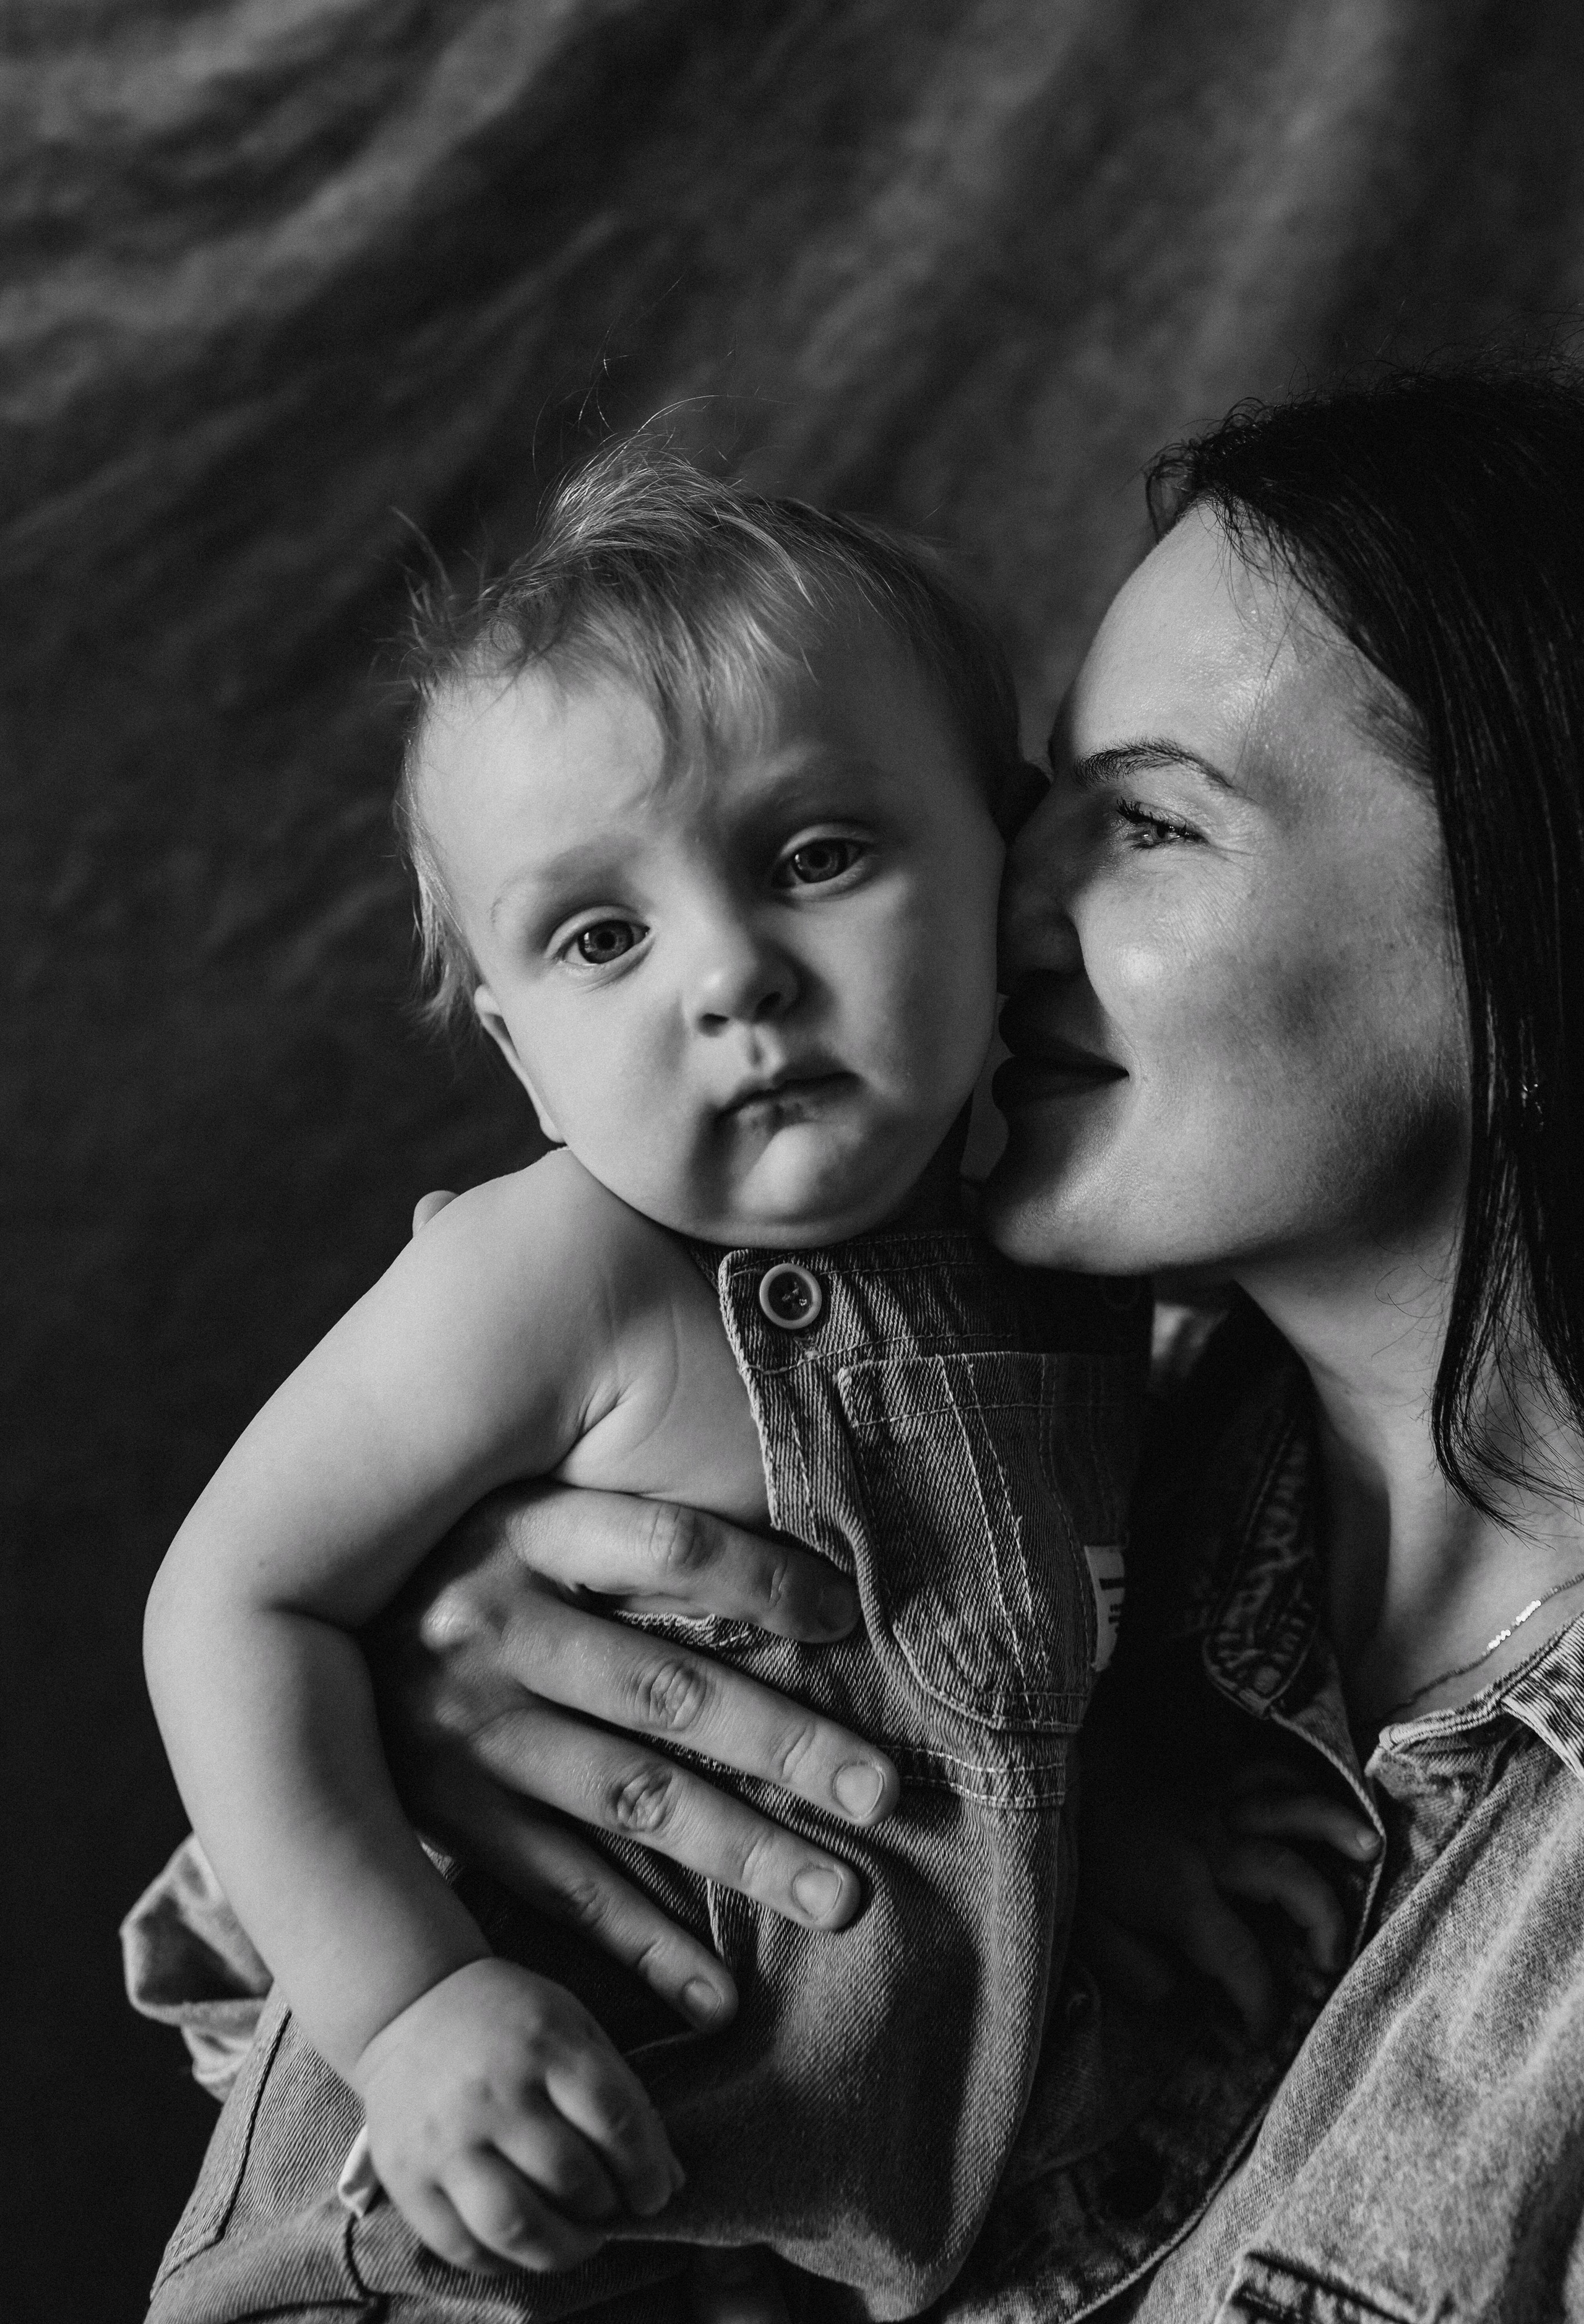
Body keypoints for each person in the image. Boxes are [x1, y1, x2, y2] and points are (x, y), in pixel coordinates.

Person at [130, 358, 1584, 2324]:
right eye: (1043, 811)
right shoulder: (1102, 1461)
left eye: (1146, 825)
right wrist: (417, 1772)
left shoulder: (1059, 1379)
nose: (1020, 902)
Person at [137, 442, 1151, 2322]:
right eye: (604, 936)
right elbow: (227, 1602)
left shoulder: (1088, 1267)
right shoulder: (558, 1272)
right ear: (522, 1052)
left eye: (816, 856)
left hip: (848, 2216)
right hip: (479, 2199)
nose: (733, 977)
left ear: (1008, 860)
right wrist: (415, 2001)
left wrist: (1186, 1821)